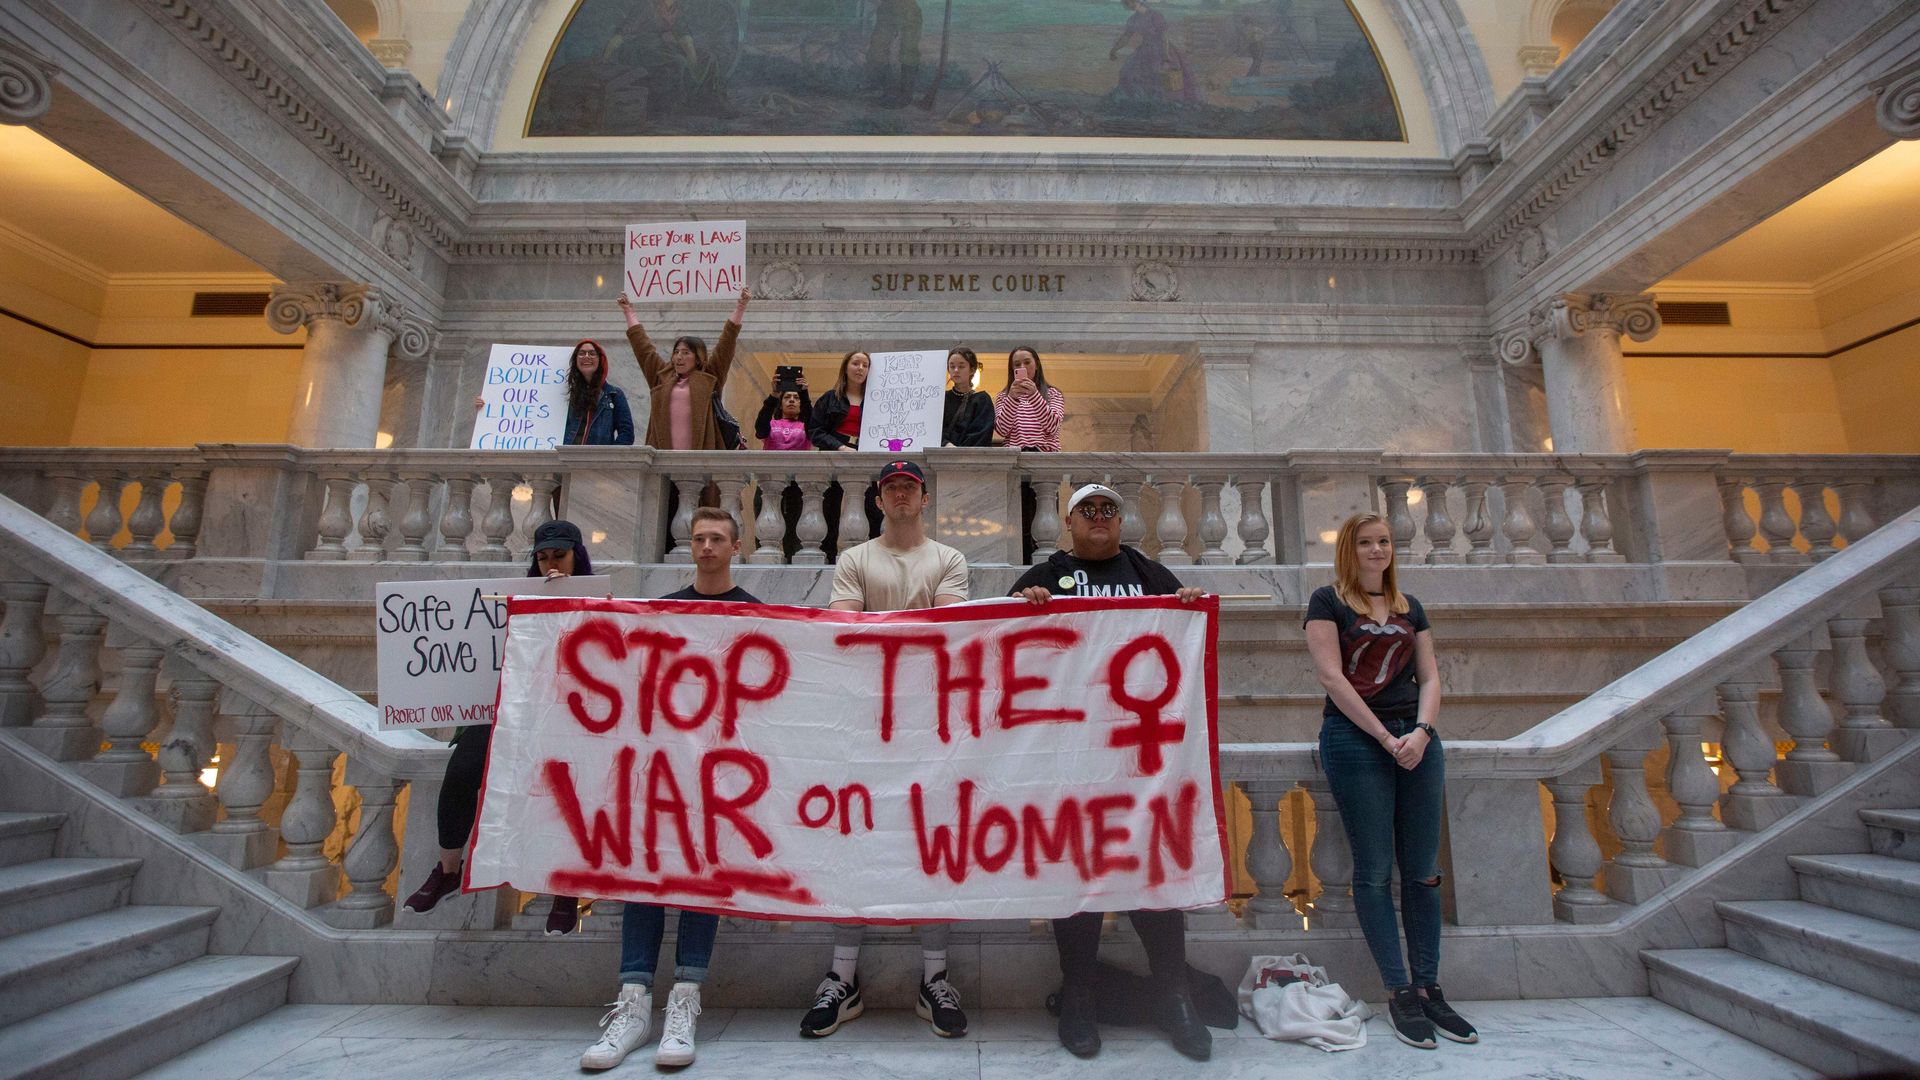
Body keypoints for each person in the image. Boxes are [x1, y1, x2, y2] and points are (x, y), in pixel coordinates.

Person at [1009, 483, 1211, 1061]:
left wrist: (1188, 608)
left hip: (1142, 759)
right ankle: (1079, 997)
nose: (1099, 518)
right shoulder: (1042, 577)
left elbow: (1185, 644)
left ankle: (1175, 997)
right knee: (1077, 874)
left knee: (1154, 871)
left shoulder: (1153, 576)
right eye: (1088, 511)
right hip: (1072, 757)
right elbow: (1003, 648)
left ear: (1120, 522)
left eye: (1109, 511)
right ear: (1068, 523)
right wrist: (1026, 612)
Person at [582, 506, 759, 1071]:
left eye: (717, 539)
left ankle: (685, 1005)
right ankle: (633, 1008)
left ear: (737, 547)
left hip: (721, 776)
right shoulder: (661, 612)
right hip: (657, 770)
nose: (706, 546)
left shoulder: (758, 615)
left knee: (701, 880)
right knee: (645, 875)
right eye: (698, 538)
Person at [801, 459, 970, 1040]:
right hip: (864, 723)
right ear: (878, 499)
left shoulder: (948, 558)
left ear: (924, 498)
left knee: (935, 841)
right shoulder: (855, 559)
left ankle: (936, 977)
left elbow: (946, 633)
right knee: (854, 840)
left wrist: (882, 630)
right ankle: (841, 977)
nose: (900, 495)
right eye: (891, 487)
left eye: (909, 487)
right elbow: (842, 629)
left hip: (930, 724)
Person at [1304, 512, 1477, 1050]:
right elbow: (1332, 677)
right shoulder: (1327, 601)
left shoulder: (1410, 608)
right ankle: (1399, 991)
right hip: (1357, 741)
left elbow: (1430, 676)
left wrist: (1423, 732)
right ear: (1349, 551)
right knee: (1376, 872)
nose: (1378, 550)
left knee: (1423, 872)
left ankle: (1429, 986)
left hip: (1418, 739)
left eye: (1384, 542)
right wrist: (1384, 737)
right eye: (1366, 542)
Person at [402, 520, 595, 936]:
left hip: (568, 715)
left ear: (576, 557)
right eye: (542, 559)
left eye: (558, 557)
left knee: (566, 790)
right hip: (507, 707)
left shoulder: (599, 602)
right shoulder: (505, 601)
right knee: (461, 771)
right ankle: (448, 868)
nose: (550, 567)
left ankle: (565, 890)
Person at [619, 287, 750, 451]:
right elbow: (643, 349)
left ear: (698, 358)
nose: (678, 357)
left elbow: (726, 344)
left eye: (686, 353)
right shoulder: (661, 376)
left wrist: (740, 307)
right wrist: (629, 312)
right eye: (676, 352)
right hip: (663, 457)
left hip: (701, 459)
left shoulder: (709, 377)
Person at [471, 339, 634, 447]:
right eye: (581, 353)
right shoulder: (560, 392)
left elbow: (626, 434)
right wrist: (489, 404)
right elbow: (528, 407)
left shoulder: (613, 395)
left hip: (596, 470)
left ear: (601, 360)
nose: (586, 356)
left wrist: (607, 460)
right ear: (575, 360)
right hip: (562, 465)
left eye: (592, 353)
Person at [995, 346, 1066, 559]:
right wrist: (1012, 399)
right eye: (1017, 364)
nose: (1022, 367)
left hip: (1044, 462)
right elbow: (1002, 429)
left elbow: (1052, 426)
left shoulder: (1052, 394)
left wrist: (1035, 395)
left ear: (1037, 364)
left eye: (1027, 362)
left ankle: (1043, 561)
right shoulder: (1003, 396)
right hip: (1016, 462)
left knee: (1044, 518)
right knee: (1018, 519)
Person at [809, 349, 880, 555]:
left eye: (865, 365)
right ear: (845, 368)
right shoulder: (830, 398)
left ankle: (872, 555)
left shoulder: (876, 400)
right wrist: (839, 447)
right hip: (835, 453)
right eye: (855, 363)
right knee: (830, 507)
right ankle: (828, 555)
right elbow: (815, 431)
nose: (860, 368)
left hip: (865, 454)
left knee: (872, 507)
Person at [941, 347, 994, 447]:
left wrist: (959, 451)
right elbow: (934, 428)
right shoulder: (942, 398)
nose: (956, 370)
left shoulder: (982, 399)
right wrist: (945, 444)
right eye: (952, 367)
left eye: (961, 367)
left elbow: (982, 433)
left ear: (972, 370)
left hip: (972, 457)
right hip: (941, 456)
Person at [756, 376, 813, 450]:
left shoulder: (807, 427)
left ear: (801, 405)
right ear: (780, 405)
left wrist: (804, 393)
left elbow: (812, 426)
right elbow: (760, 431)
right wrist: (774, 394)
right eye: (787, 397)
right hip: (772, 461)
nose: (791, 400)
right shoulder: (771, 424)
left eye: (796, 398)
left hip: (799, 462)